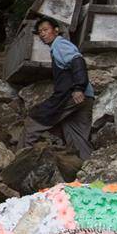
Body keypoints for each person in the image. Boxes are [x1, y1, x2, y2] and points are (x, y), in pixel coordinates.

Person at [20, 17, 92, 160]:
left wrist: (78, 87)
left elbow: (78, 61)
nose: (42, 34)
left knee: (33, 123)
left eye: (45, 30)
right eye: (40, 32)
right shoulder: (59, 47)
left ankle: (19, 165)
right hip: (87, 97)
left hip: (72, 95)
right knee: (77, 136)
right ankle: (90, 172)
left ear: (56, 30)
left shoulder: (60, 44)